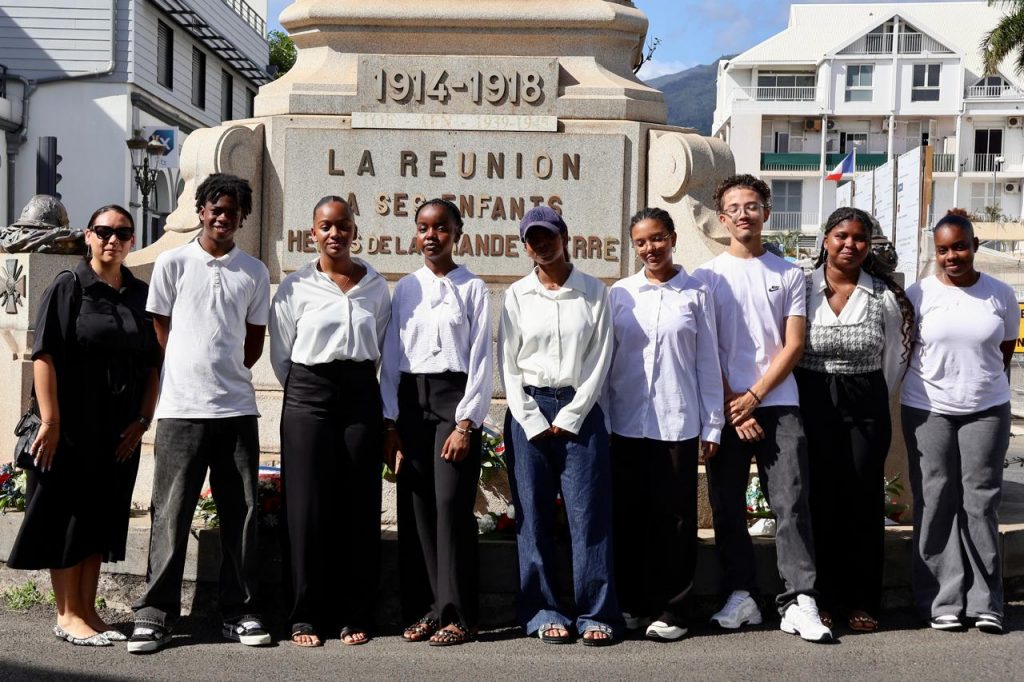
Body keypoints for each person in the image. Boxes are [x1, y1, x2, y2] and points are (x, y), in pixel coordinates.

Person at [129, 174, 271, 653]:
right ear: (201, 209)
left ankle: (241, 611)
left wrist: (224, 371)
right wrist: (191, 370)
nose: (223, 217)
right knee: (170, 512)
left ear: (241, 216)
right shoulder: (172, 262)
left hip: (235, 409)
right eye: (216, 208)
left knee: (243, 514)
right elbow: (161, 328)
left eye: (232, 210)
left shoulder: (254, 271)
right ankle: (155, 614)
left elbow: (253, 342)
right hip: (180, 409)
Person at [8, 205, 159, 646]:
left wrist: (143, 419)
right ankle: (68, 613)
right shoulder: (69, 286)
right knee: (68, 517)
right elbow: (45, 354)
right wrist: (51, 421)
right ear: (88, 237)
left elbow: (153, 364)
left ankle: (89, 609)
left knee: (100, 517)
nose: (113, 240)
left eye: (123, 233)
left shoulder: (139, 294)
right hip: (71, 426)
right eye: (104, 231)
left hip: (118, 430)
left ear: (132, 240)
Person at [693, 174, 830, 643]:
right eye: (734, 207)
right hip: (726, 406)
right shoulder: (706, 277)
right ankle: (741, 595)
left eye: (752, 206)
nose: (744, 214)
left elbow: (793, 345)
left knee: (791, 502)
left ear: (766, 213)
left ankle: (800, 599)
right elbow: (706, 348)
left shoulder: (790, 273)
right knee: (727, 505)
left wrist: (753, 398)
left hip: (779, 404)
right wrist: (735, 403)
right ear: (722, 217)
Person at [270, 195, 390, 647]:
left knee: (358, 502)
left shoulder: (376, 286)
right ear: (312, 232)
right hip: (308, 395)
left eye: (342, 226)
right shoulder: (296, 287)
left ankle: (355, 611)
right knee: (305, 506)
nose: (335, 234)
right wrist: (308, 388)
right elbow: (282, 354)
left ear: (354, 230)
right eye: (326, 226)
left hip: (360, 394)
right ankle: (304, 614)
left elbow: (379, 343)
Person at [498, 206, 621, 646]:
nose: (541, 245)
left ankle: (595, 612)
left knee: (589, 516)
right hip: (528, 408)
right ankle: (543, 610)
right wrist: (530, 418)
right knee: (532, 516)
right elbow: (508, 363)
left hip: (579, 410)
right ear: (525, 245)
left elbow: (599, 359)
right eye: (533, 239)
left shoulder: (593, 292)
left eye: (548, 235)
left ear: (565, 236)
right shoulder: (516, 295)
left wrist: (571, 415)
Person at [606, 207, 724, 641]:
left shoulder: (696, 292)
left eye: (657, 238)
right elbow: (607, 361)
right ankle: (633, 604)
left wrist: (713, 424)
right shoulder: (621, 294)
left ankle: (673, 610)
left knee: (674, 520)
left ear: (672, 238)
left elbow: (707, 362)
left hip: (676, 422)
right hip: (625, 422)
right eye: (641, 242)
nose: (650, 248)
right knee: (629, 516)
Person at [795, 207, 914, 632]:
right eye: (841, 236)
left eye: (859, 238)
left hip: (866, 403)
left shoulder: (882, 294)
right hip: (812, 399)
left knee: (863, 499)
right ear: (825, 239)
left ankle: (860, 598)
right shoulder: (802, 287)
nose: (850, 244)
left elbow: (896, 359)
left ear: (869, 245)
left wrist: (867, 393)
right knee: (819, 499)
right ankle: (821, 598)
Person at [380, 199, 492, 647]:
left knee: (451, 506)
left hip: (453, 403)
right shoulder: (405, 288)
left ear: (456, 233)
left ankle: (458, 614)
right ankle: (425, 609)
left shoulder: (473, 288)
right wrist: (389, 422)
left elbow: (482, 358)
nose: (431, 236)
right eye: (424, 228)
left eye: (441, 228)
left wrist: (466, 423)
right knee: (417, 509)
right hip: (411, 404)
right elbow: (390, 358)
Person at [901, 209, 1016, 634]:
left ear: (974, 246)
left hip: (986, 408)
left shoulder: (1000, 294)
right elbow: (908, 348)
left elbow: (1003, 352)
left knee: (980, 502)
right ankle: (941, 599)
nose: (953, 255)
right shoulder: (918, 293)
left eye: (960, 247)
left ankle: (988, 601)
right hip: (927, 407)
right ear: (937, 252)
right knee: (933, 501)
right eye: (944, 250)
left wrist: (978, 388)